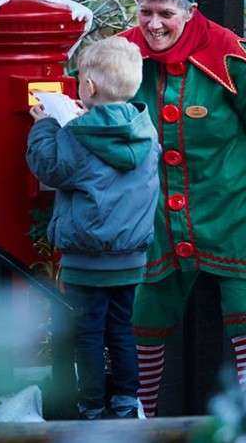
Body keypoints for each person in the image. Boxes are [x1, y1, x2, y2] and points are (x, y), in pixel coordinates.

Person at [117, 0, 246, 417]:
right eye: (146, 13)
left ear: (189, 11)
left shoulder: (235, 58)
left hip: (234, 210)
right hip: (155, 216)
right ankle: (138, 422)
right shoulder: (119, 57)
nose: (155, 24)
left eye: (166, 13)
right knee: (143, 315)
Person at [25, 36, 161, 420]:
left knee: (87, 333)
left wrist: (47, 125)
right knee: (121, 331)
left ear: (88, 87)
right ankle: (124, 403)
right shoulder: (146, 133)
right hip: (131, 257)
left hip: (86, 258)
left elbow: (49, 167)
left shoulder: (77, 134)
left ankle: (90, 406)